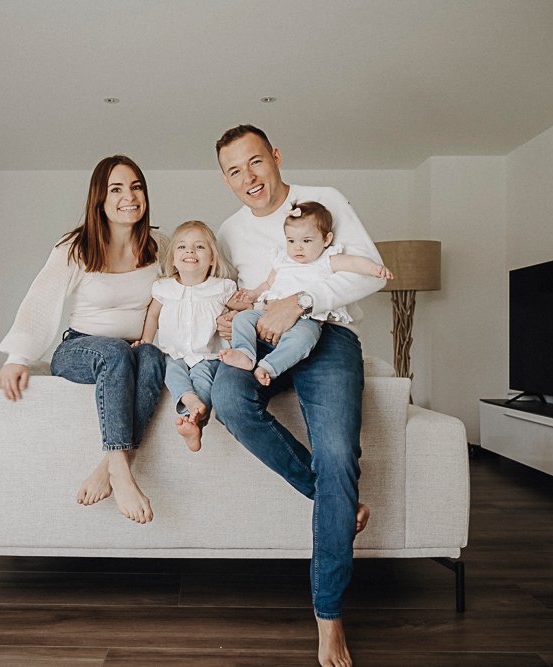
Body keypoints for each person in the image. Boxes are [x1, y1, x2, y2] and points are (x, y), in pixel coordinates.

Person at [210, 125, 386, 667]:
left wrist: (303, 300)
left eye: (255, 161)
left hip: (328, 335)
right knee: (229, 400)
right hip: (265, 338)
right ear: (226, 179)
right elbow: (236, 295)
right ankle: (335, 500)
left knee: (337, 454)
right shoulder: (230, 230)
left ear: (276, 157)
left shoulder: (323, 200)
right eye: (234, 170)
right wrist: (228, 318)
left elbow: (369, 273)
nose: (248, 177)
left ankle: (329, 617)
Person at [0, 155, 165, 525]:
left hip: (136, 349)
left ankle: (108, 467)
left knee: (153, 358)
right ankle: (122, 471)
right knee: (116, 352)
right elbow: (41, 299)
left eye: (136, 187)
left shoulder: (159, 245)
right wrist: (18, 357)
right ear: (99, 199)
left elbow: (184, 290)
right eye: (116, 189)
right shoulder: (76, 246)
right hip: (81, 348)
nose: (129, 196)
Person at [220, 200, 393, 387]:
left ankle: (269, 367)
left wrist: (374, 268)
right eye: (291, 241)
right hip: (268, 314)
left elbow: (353, 263)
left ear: (326, 239)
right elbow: (268, 284)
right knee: (242, 319)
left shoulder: (326, 260)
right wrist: (253, 294)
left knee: (304, 339)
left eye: (306, 241)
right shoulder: (283, 260)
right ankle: (245, 353)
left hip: (304, 320)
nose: (298, 247)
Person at [135, 220, 247, 452]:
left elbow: (245, 309)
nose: (190, 251)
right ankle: (189, 400)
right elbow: (153, 315)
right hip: (173, 353)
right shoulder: (164, 288)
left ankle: (194, 421)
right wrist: (146, 341)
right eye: (182, 247)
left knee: (203, 379)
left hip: (208, 355)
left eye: (200, 247)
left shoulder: (221, 288)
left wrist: (235, 315)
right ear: (173, 259)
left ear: (212, 259)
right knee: (170, 371)